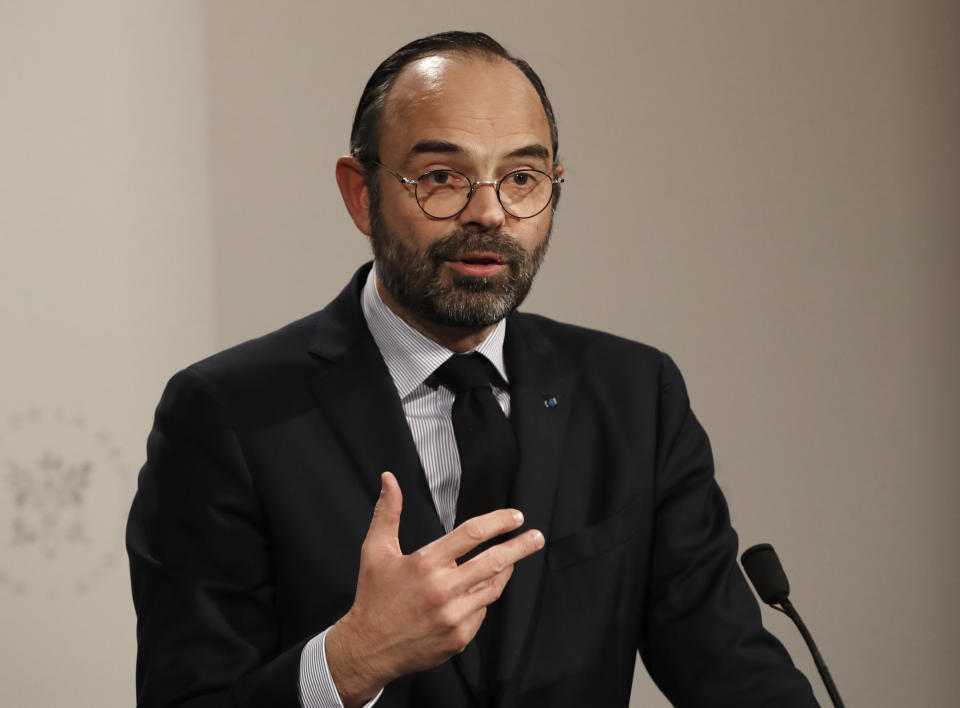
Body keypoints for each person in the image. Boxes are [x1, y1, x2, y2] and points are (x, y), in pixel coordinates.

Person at [126, 31, 818, 708]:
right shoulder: (228, 415)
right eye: (441, 178)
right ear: (361, 193)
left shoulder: (635, 397)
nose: (489, 212)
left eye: (522, 178)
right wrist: (352, 660)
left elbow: (729, 668)